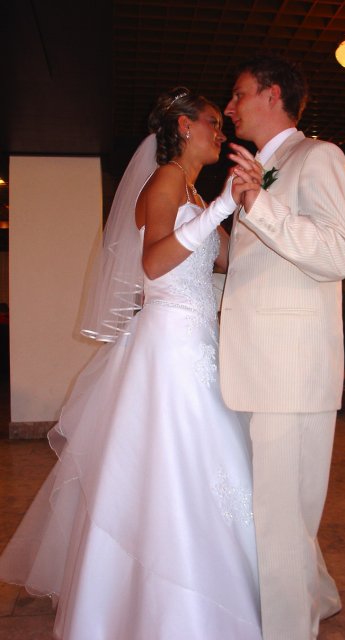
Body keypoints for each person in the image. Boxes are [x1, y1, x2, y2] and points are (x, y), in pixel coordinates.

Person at [0, 88, 263, 640]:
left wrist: (243, 205)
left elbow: (223, 259)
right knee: (175, 466)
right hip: (171, 347)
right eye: (212, 122)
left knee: (207, 465)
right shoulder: (166, 179)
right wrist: (219, 208)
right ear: (184, 126)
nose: (221, 132)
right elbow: (155, 262)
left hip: (199, 342)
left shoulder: (191, 190)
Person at [219, 54, 345, 640]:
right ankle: (318, 596)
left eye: (238, 94)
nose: (229, 107)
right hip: (254, 366)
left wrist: (259, 205)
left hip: (291, 371)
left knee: (278, 521)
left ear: (272, 94)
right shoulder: (256, 172)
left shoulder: (318, 157)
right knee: (282, 514)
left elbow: (337, 254)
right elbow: (254, 273)